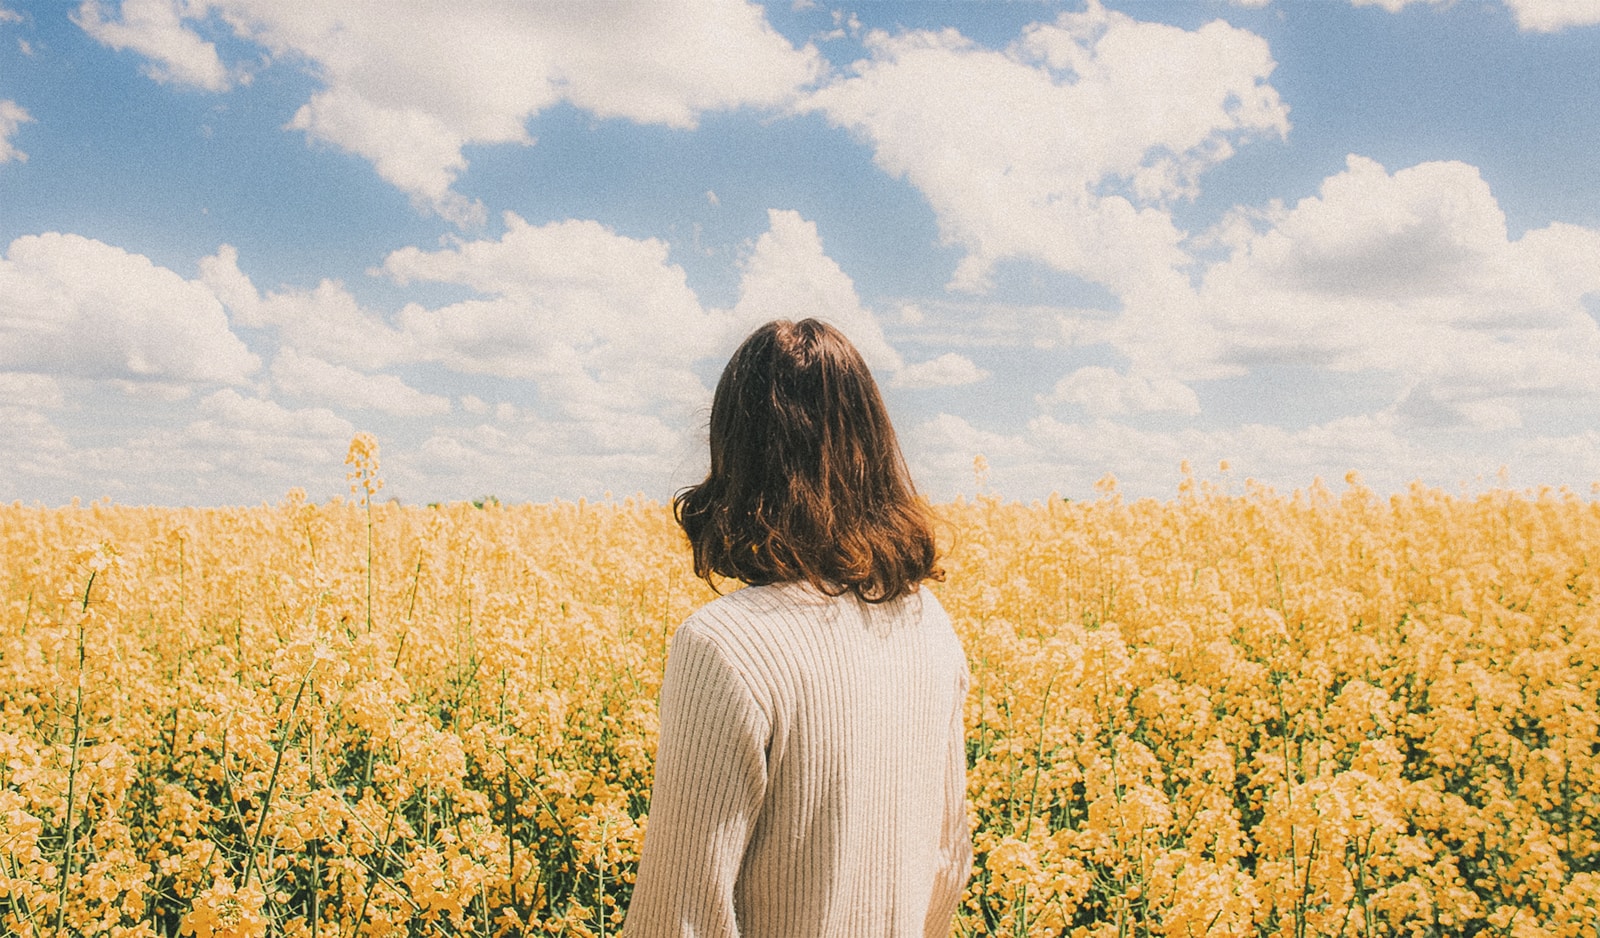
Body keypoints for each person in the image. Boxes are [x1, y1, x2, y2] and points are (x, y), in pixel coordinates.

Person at [624, 318, 972, 937]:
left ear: (735, 451)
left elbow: (677, 921)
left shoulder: (727, 646)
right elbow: (947, 862)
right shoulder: (928, 624)